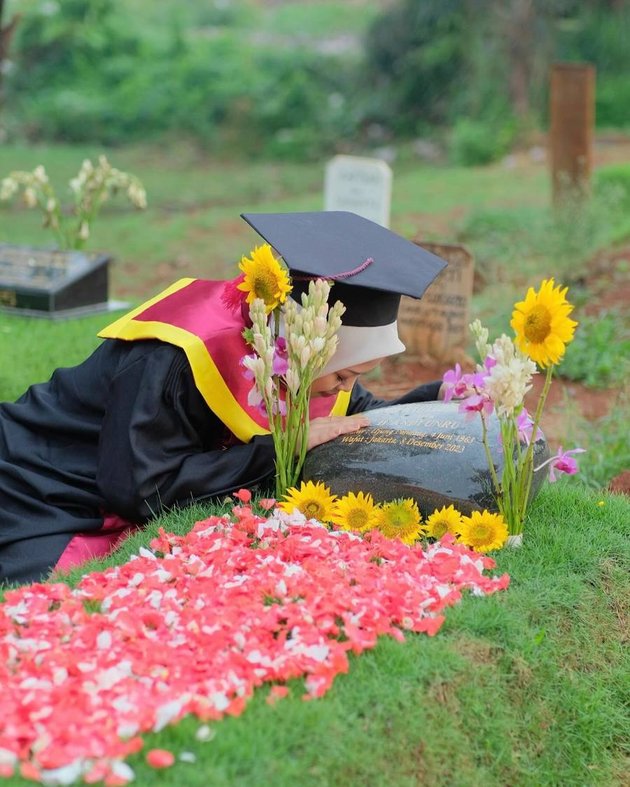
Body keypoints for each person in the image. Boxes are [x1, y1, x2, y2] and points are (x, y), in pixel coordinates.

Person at [0, 211, 447, 585]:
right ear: (304, 344)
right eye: (344, 375)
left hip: (110, 483)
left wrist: (440, 398)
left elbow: (358, 419)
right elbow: (140, 489)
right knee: (56, 592)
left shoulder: (290, 355)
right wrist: (279, 451)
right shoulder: (177, 355)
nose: (345, 389)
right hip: (51, 484)